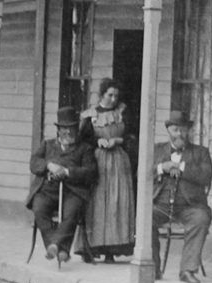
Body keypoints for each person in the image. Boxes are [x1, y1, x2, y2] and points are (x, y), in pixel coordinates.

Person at [26, 106, 98, 262]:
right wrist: (49, 165)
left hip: (73, 191)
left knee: (71, 213)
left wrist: (66, 172)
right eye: (64, 129)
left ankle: (55, 246)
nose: (68, 133)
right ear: (58, 130)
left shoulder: (85, 149)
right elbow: (34, 163)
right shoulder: (48, 145)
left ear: (76, 129)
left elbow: (90, 172)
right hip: (48, 190)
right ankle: (60, 248)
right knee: (39, 208)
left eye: (71, 128)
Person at [77, 78, 135, 263]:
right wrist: (97, 142)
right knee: (98, 203)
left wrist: (118, 141)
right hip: (98, 161)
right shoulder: (90, 115)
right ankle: (92, 248)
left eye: (116, 95)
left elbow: (132, 136)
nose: (113, 99)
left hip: (119, 162)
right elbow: (83, 140)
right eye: (110, 95)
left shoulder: (122, 112)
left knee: (117, 202)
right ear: (102, 95)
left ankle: (112, 250)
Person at [152, 111, 212, 283]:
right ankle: (152, 267)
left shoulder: (201, 152)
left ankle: (187, 270)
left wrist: (182, 167)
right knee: (144, 218)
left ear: (189, 131)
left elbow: (205, 176)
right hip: (161, 204)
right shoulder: (156, 150)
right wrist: (161, 167)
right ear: (168, 130)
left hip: (190, 206)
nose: (179, 134)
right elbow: (141, 173)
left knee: (201, 218)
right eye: (175, 130)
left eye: (183, 130)